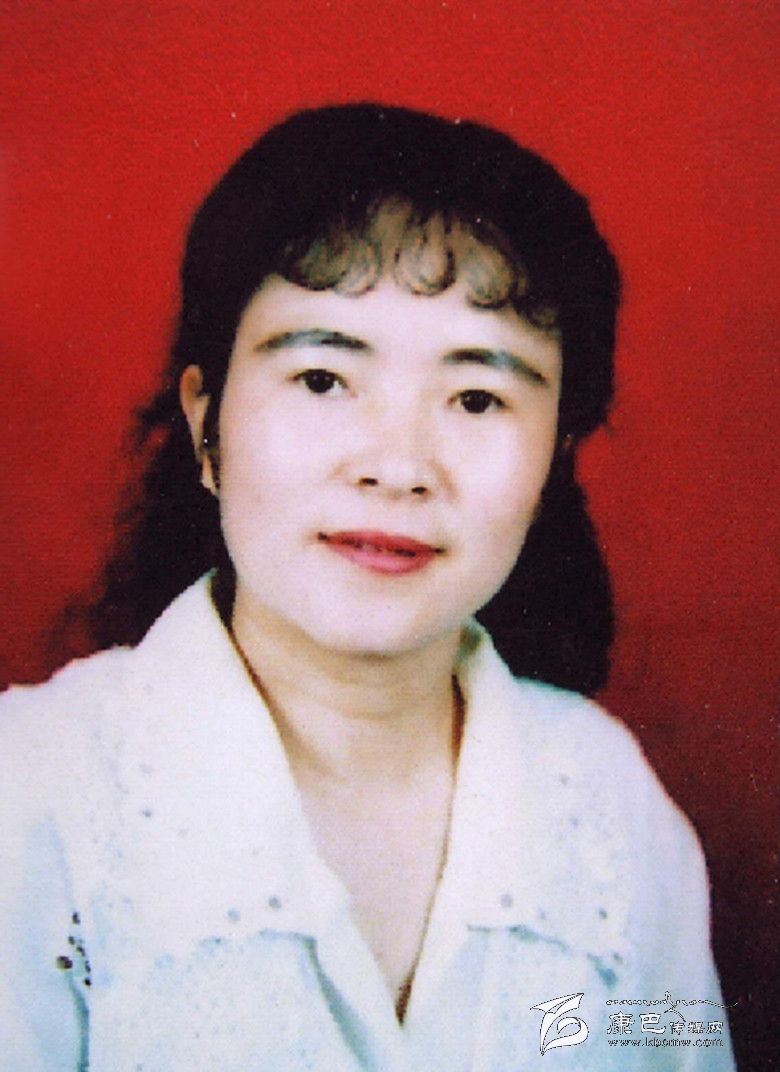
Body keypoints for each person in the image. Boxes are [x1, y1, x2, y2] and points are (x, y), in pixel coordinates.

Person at [0, 104, 734, 1070]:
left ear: (555, 459)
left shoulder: (614, 806)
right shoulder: (32, 796)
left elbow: (669, 1044)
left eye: (477, 397)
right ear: (207, 427)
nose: (397, 466)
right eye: (322, 380)